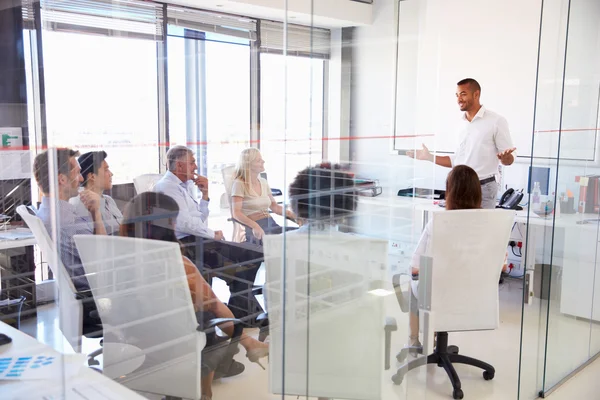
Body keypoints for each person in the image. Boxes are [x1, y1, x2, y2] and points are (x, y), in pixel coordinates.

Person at [119, 192, 269, 400]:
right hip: (175, 344)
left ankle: (235, 353)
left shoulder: (118, 254)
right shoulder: (173, 262)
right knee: (210, 312)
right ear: (165, 224)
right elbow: (215, 306)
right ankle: (230, 362)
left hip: (132, 339)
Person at [153, 145, 264, 319]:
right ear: (179, 166)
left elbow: (199, 220)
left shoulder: (184, 186)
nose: (196, 167)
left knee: (254, 254)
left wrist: (204, 196)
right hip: (187, 245)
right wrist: (213, 234)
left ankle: (241, 307)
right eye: (192, 163)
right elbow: (184, 224)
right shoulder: (167, 187)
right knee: (239, 270)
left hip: (200, 240)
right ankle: (243, 311)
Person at [406, 165, 497, 354]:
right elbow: (500, 265)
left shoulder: (439, 221)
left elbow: (415, 267)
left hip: (439, 293)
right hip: (475, 294)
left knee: (414, 283)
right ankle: (438, 335)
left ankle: (415, 341)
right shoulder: (490, 224)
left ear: (450, 191)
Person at [406, 78, 516, 210]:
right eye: (457, 95)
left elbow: (509, 158)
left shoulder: (496, 121)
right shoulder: (460, 125)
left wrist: (506, 158)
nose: (459, 99)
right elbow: (457, 160)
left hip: (483, 189)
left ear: (476, 94)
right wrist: (429, 157)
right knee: (458, 229)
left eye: (463, 94)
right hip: (459, 187)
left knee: (481, 229)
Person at [33, 148, 106, 326]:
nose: (81, 179)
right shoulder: (67, 222)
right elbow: (105, 256)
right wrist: (97, 212)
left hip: (77, 297)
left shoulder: (45, 211)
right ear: (62, 179)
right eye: (78, 173)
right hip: (95, 296)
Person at [231, 148, 297, 245]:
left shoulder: (263, 182)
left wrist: (295, 216)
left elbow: (275, 207)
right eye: (259, 160)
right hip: (256, 229)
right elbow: (236, 213)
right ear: (249, 164)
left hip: (271, 224)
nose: (263, 161)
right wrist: (255, 226)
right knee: (293, 241)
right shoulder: (239, 184)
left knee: (303, 236)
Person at [69, 151, 123, 235]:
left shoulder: (109, 200)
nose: (111, 174)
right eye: (106, 170)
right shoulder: (81, 204)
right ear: (92, 176)